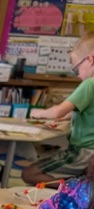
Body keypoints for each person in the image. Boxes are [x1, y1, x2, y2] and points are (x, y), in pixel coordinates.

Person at [21, 31, 94, 185]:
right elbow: (87, 113)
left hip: (83, 152)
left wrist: (39, 113)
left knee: (29, 174)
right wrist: (68, 117)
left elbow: (58, 111)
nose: (77, 75)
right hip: (90, 153)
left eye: (76, 69)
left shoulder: (89, 83)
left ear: (90, 60)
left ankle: (74, 188)